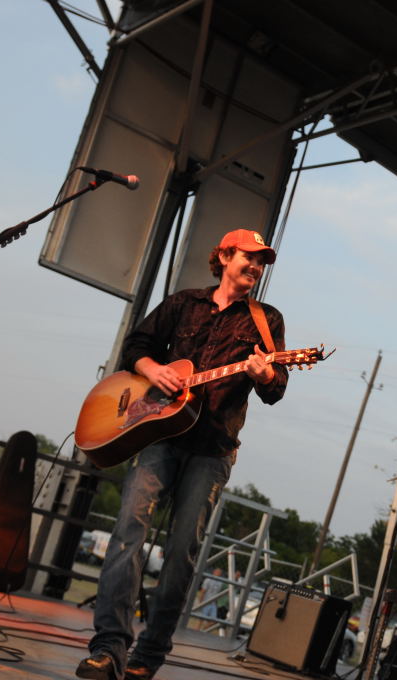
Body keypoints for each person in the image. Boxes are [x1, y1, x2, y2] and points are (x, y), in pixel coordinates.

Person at [76, 229, 288, 680]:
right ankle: (109, 648)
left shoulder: (267, 320)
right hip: (159, 436)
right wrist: (154, 370)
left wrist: (265, 374)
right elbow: (136, 346)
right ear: (225, 256)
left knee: (180, 554)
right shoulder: (184, 303)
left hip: (213, 448)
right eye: (249, 256)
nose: (255, 266)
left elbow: (276, 390)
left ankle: (147, 657)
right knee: (127, 534)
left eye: (261, 261)